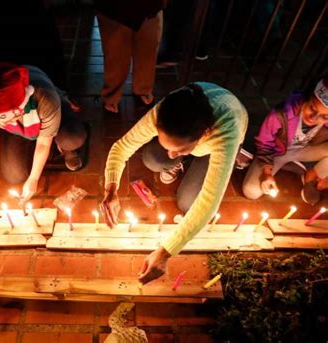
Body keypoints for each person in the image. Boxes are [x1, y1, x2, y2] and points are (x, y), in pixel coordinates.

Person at [101, 83, 247, 284]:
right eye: (168, 146)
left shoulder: (226, 130)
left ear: (204, 134)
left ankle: (214, 160)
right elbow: (122, 147)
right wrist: (111, 188)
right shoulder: (165, 111)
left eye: (178, 151)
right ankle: (183, 159)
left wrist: (166, 252)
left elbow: (208, 203)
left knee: (188, 204)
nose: (171, 154)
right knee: (154, 158)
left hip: (214, 147)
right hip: (192, 139)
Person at [0, 62, 87, 208]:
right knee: (13, 176)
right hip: (21, 128)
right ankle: (31, 138)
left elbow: (44, 142)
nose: (5, 121)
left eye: (8, 117)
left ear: (20, 108)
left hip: (49, 106)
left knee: (71, 138)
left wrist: (34, 179)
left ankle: (62, 137)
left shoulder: (45, 98)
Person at [243, 78, 328, 205]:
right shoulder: (282, 113)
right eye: (312, 109)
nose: (314, 118)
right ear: (308, 97)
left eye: (325, 116)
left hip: (303, 150)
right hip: (276, 153)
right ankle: (287, 164)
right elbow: (265, 144)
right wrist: (267, 173)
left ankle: (311, 176)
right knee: (251, 191)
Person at [95, 0, 166, 113]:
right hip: (113, 9)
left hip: (150, 6)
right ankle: (112, 95)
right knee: (115, 54)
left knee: (148, 50)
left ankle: (143, 89)